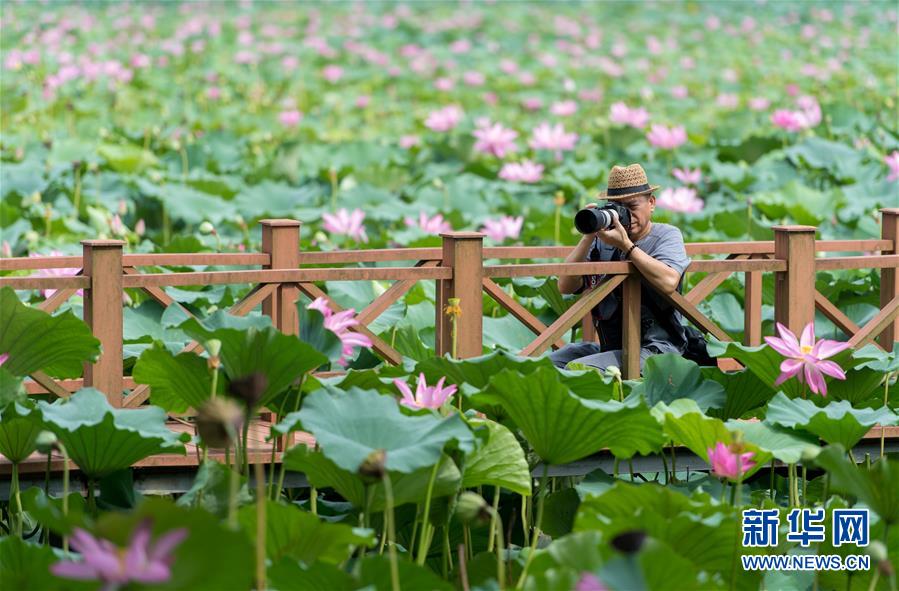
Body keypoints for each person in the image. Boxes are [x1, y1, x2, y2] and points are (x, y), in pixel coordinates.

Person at [550, 163, 692, 372]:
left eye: (632, 207)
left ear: (651, 203)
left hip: (658, 349)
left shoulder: (667, 235)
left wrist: (626, 246)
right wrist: (589, 235)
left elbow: (669, 281)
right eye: (618, 209)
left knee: (578, 370)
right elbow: (565, 285)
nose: (626, 216)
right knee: (549, 364)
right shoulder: (602, 240)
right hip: (613, 348)